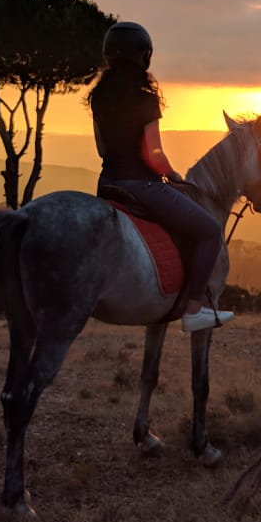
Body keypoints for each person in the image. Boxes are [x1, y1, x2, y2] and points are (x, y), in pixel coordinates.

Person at [88, 21, 233, 333]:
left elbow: (102, 147)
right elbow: (154, 154)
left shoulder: (97, 97)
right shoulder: (146, 99)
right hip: (142, 186)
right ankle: (194, 309)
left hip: (108, 184)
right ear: (145, 57)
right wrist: (174, 175)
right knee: (208, 231)